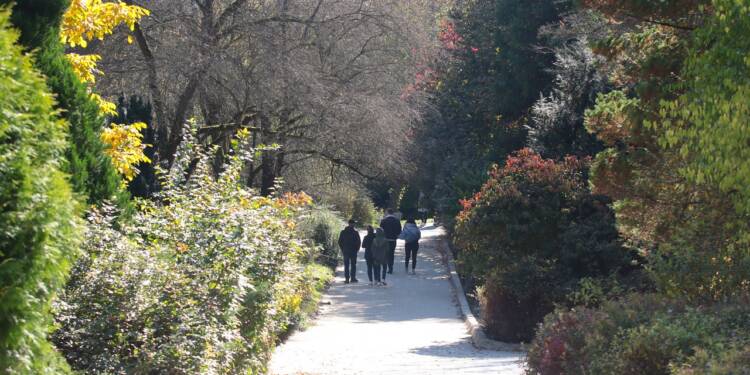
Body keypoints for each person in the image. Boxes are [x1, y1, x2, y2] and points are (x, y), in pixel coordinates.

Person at [337, 219, 361, 284]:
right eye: (353, 223)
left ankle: (347, 279)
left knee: (346, 265)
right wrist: (357, 249)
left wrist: (343, 249)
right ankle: (352, 278)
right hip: (353, 251)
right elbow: (359, 242)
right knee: (353, 265)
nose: (354, 225)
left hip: (346, 251)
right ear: (351, 224)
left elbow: (339, 242)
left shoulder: (343, 232)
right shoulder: (355, 232)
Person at [379, 208, 401, 274]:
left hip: (385, 240)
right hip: (393, 240)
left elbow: (380, 230)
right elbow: (399, 230)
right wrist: (396, 235)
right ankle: (390, 267)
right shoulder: (397, 220)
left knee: (385, 254)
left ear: (387, 213)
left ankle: (386, 267)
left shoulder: (384, 220)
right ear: (393, 213)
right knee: (391, 254)